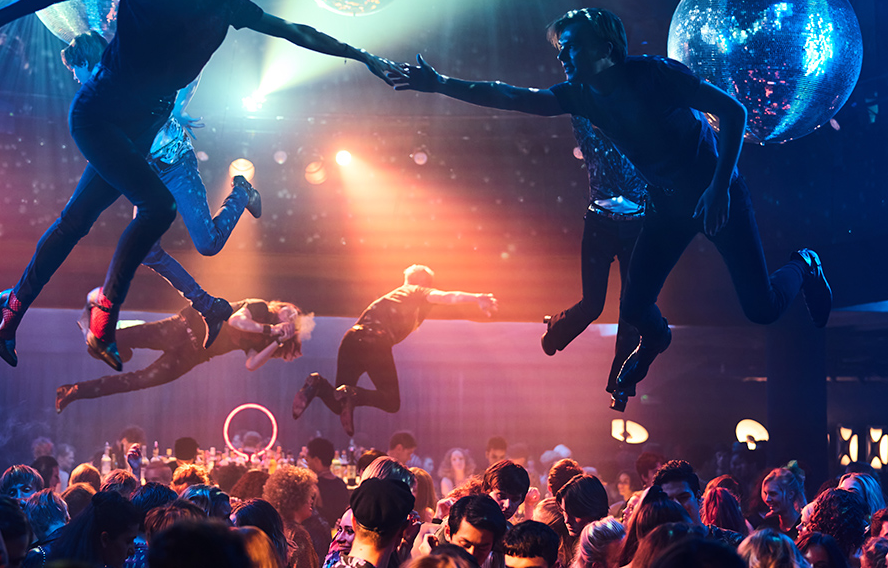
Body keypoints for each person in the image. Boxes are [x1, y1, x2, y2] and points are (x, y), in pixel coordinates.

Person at [0, 0, 396, 370]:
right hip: (100, 114)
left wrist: (362, 56)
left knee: (77, 221)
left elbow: (294, 31)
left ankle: (11, 307)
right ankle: (103, 320)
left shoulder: (226, 2)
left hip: (143, 124)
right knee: (156, 207)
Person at [390, 7, 831, 403]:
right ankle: (656, 340)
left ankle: (805, 264)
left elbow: (734, 113)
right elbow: (511, 96)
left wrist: (719, 188)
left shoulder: (656, 75)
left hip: (719, 195)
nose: (564, 57)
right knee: (635, 308)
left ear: (606, 48)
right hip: (666, 207)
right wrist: (440, 84)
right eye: (561, 50)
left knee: (762, 309)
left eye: (573, 47)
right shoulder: (579, 94)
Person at [59, 30, 256, 348]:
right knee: (148, 252)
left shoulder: (130, 73)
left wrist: (177, 108)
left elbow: (192, 67)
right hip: (148, 174)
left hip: (176, 164)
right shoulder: (96, 100)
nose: (73, 77)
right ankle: (209, 307)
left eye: (74, 69)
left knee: (208, 244)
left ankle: (242, 192)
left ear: (86, 62)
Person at [292, 264, 497, 436]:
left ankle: (318, 385)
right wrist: (477, 297)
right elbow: (447, 297)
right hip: (374, 341)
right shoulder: (416, 290)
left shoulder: (396, 296)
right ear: (424, 282)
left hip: (352, 340)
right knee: (391, 401)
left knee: (338, 402)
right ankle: (352, 393)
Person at [540, 113, 648, 410]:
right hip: (600, 227)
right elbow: (578, 114)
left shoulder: (643, 142)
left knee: (631, 310)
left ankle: (621, 385)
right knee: (593, 304)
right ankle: (555, 332)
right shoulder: (593, 140)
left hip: (636, 228)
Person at [55, 299, 310, 412]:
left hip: (193, 355)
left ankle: (74, 390)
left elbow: (252, 363)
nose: (291, 316)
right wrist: (271, 330)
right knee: (127, 338)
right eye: (291, 311)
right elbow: (236, 320)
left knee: (139, 380)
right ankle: (97, 322)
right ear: (281, 308)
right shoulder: (260, 307)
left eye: (295, 319)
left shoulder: (266, 338)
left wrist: (276, 341)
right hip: (184, 328)